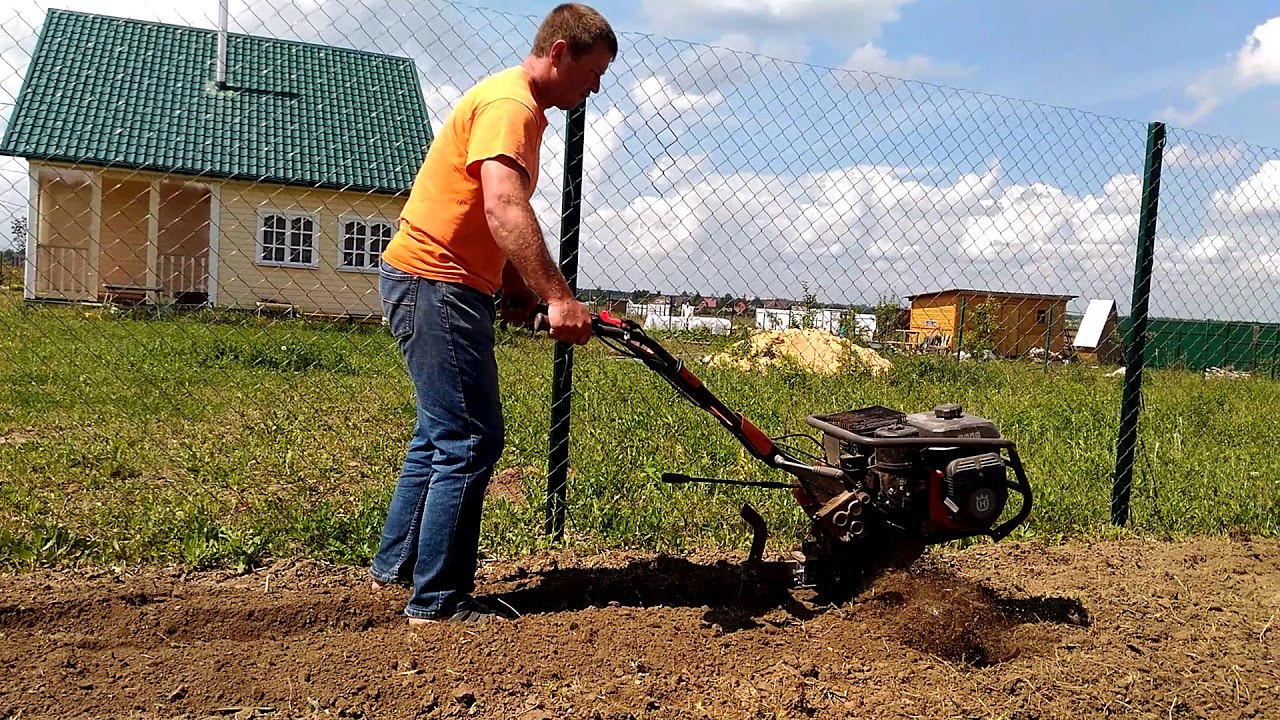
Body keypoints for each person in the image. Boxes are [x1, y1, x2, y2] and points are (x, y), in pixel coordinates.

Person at [368, 3, 617, 624]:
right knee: (471, 437)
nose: (595, 87)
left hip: (430, 277)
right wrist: (559, 297)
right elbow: (505, 206)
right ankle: (438, 601)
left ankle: (398, 567)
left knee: (440, 432)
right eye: (593, 73)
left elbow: (482, 214)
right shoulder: (514, 108)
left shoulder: (509, 100)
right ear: (559, 52)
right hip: (436, 281)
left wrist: (515, 288)